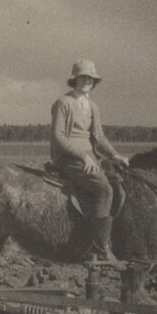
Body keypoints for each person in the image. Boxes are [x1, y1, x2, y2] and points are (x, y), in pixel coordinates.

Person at [50, 59, 129, 265]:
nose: (86, 81)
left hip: (90, 157)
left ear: (94, 82)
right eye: (83, 77)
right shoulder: (63, 103)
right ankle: (98, 248)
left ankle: (107, 237)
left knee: (119, 183)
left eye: (90, 78)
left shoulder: (93, 106)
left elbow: (99, 138)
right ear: (74, 79)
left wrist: (114, 155)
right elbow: (59, 137)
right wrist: (83, 156)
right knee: (103, 189)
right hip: (68, 157)